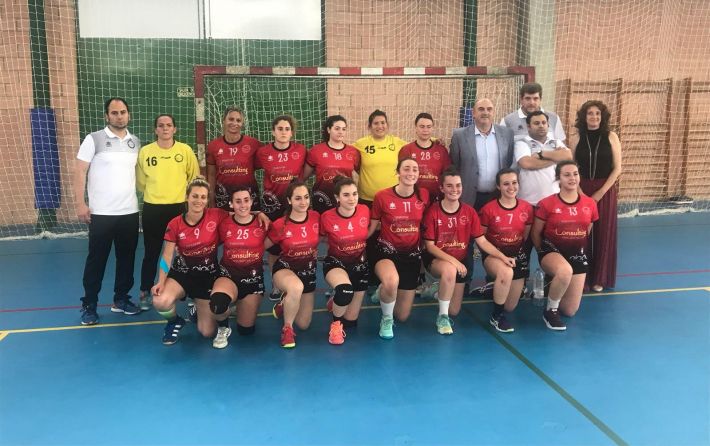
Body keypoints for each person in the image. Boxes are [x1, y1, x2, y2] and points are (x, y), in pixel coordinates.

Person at [422, 167, 516, 335]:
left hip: (459, 262)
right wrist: (454, 261)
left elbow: (482, 241)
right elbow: (430, 246)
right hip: (437, 260)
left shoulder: (469, 212)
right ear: (442, 188)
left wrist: (502, 256)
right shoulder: (433, 211)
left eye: (458, 185)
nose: (454, 190)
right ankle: (442, 317)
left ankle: (436, 290)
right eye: (449, 186)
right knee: (449, 271)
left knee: (455, 311)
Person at [74, 97, 141, 325]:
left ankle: (121, 299)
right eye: (114, 113)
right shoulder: (93, 139)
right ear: (107, 116)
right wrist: (80, 203)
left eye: (123, 112)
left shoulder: (136, 142)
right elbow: (80, 171)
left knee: (126, 259)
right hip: (101, 213)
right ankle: (89, 305)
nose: (119, 116)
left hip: (129, 212)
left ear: (128, 115)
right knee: (97, 260)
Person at [151, 177, 229, 346]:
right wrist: (161, 281)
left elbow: (240, 213)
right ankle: (174, 321)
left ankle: (195, 304)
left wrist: (259, 214)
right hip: (182, 274)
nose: (198, 200)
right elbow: (166, 256)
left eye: (203, 197)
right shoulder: (175, 223)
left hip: (207, 276)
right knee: (160, 300)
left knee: (207, 332)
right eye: (195, 196)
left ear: (207, 200)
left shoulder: (215, 215)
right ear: (187, 197)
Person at [136, 114, 200, 310]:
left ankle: (190, 291)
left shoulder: (185, 151)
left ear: (175, 129)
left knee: (185, 252)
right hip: (153, 208)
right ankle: (146, 290)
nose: (165, 128)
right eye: (161, 126)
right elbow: (140, 182)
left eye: (169, 125)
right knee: (152, 252)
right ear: (155, 130)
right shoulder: (146, 152)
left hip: (179, 208)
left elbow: (194, 176)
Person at [531, 161, 599, 331]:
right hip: (551, 252)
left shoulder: (590, 204)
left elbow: (587, 230)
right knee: (564, 270)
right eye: (567, 174)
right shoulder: (547, 203)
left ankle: (551, 286)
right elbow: (535, 233)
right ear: (558, 179)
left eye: (575, 174)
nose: (572, 178)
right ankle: (550, 311)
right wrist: (543, 253)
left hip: (577, 254)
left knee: (569, 311)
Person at [368, 158, 429, 339]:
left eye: (414, 169)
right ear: (398, 172)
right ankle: (386, 319)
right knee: (392, 281)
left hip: (411, 255)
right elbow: (372, 228)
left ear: (419, 174)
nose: (410, 173)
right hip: (386, 251)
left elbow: (426, 224)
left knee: (402, 316)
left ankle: (383, 291)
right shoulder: (382, 196)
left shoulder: (423, 195)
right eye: (406, 169)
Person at [569, 100, 622, 292]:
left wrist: (600, 193)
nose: (594, 117)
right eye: (590, 113)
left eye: (597, 113)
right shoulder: (576, 138)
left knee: (604, 233)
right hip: (580, 188)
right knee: (581, 234)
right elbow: (571, 167)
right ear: (584, 117)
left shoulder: (611, 137)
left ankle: (600, 278)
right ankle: (581, 277)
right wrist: (580, 191)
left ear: (602, 116)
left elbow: (617, 168)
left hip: (605, 189)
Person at [210, 186, 268, 349]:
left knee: (246, 330)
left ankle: (236, 305)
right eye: (238, 201)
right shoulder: (224, 223)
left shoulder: (262, 223)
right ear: (231, 204)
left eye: (246, 200)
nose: (242, 205)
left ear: (251, 202)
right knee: (217, 305)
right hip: (229, 276)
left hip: (253, 279)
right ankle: (223, 328)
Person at [479, 168, 534, 332]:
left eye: (514, 183)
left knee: (510, 306)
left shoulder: (526, 208)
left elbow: (525, 236)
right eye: (506, 184)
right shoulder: (488, 209)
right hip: (493, 256)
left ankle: (493, 287)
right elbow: (481, 239)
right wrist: (500, 256)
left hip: (515, 256)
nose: (511, 187)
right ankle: (496, 317)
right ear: (498, 187)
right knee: (506, 273)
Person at [267, 181, 320, 348]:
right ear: (289, 201)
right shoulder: (280, 224)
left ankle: (284, 303)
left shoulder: (316, 217)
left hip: (308, 272)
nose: (303, 202)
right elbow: (261, 245)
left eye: (306, 197)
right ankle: (287, 329)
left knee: (304, 324)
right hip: (285, 269)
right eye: (298, 198)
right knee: (295, 287)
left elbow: (329, 235)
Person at [319, 176, 370, 344]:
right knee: (345, 291)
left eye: (354, 194)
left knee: (351, 323)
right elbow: (317, 237)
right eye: (346, 195)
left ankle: (335, 302)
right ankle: (335, 325)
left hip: (359, 265)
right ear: (337, 198)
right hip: (336, 263)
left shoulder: (364, 210)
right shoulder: (327, 217)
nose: (352, 198)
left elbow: (371, 228)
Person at [450, 98, 515, 211]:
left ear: (493, 112)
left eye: (489, 109)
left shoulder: (507, 134)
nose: (485, 112)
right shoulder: (459, 135)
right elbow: (454, 164)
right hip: (469, 196)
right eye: (481, 109)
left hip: (498, 196)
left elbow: (508, 162)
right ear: (473, 113)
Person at [206, 107, 263, 210]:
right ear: (223, 121)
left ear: (242, 123)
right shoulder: (213, 146)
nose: (234, 123)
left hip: (247, 198)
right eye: (231, 119)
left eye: (238, 120)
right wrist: (211, 198)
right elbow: (211, 175)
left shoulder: (254, 144)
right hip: (223, 198)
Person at [302, 115, 361, 214]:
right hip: (322, 198)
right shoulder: (316, 150)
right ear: (329, 130)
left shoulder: (353, 152)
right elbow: (303, 177)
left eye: (343, 129)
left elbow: (362, 174)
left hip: (345, 199)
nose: (341, 132)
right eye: (337, 128)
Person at [513, 110, 572, 206]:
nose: (541, 126)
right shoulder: (522, 143)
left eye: (544, 123)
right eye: (536, 123)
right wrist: (556, 157)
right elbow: (527, 163)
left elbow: (568, 156)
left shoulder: (556, 142)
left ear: (548, 125)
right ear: (528, 127)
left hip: (554, 201)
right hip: (528, 202)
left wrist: (541, 154)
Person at [255, 115, 307, 221]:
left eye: (287, 129)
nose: (283, 132)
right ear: (273, 132)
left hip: (295, 202)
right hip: (271, 202)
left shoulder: (301, 150)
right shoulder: (263, 152)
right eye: (280, 129)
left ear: (291, 133)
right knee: (271, 233)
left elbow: (311, 168)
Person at [353, 110, 407, 206]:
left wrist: (434, 140)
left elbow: (416, 145)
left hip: (391, 197)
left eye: (383, 122)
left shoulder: (396, 142)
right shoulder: (361, 143)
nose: (380, 126)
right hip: (366, 199)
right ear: (369, 126)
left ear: (387, 125)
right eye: (376, 123)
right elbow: (343, 148)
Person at [399, 112, 451, 203]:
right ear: (416, 128)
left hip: (436, 199)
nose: (425, 130)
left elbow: (447, 175)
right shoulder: (406, 150)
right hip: (413, 198)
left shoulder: (441, 150)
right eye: (422, 126)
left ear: (432, 128)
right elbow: (401, 176)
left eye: (429, 127)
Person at [501, 82, 566, 142]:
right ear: (521, 99)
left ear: (540, 99)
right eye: (528, 98)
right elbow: (502, 146)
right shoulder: (507, 121)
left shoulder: (553, 118)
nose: (532, 102)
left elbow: (561, 145)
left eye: (535, 98)